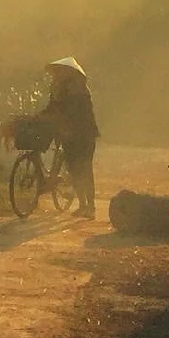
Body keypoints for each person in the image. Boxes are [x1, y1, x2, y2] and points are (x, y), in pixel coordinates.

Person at [42, 57, 99, 220]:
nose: (56, 74)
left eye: (60, 71)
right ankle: (82, 205)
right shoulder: (59, 88)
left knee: (84, 169)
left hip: (84, 134)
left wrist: (58, 119)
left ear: (68, 73)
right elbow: (52, 108)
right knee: (75, 170)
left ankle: (91, 206)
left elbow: (73, 112)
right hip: (69, 134)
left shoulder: (78, 89)